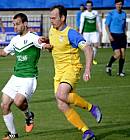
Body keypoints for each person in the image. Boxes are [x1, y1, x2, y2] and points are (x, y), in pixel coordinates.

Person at [0, 13, 52, 140]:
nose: (15, 27)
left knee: (19, 102)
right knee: (4, 105)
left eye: (17, 24)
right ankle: (13, 134)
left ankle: (28, 115)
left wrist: (46, 44)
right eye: (13, 24)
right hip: (16, 77)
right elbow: (3, 52)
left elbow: (41, 43)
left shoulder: (33, 37)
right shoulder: (14, 40)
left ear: (25, 24)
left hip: (29, 77)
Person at [49, 5, 102, 140]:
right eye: (50, 18)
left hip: (71, 68)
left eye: (54, 18)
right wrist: (47, 45)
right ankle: (86, 131)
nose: (51, 20)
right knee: (61, 104)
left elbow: (88, 49)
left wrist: (87, 70)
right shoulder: (51, 30)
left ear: (63, 18)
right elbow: (55, 47)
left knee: (61, 94)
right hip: (58, 72)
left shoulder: (71, 33)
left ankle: (91, 108)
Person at [105, 0, 127, 77]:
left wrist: (125, 33)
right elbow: (106, 26)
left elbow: (124, 25)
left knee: (123, 54)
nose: (119, 6)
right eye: (118, 4)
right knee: (118, 54)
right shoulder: (111, 13)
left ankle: (120, 71)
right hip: (114, 35)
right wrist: (109, 35)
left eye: (120, 4)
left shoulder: (124, 14)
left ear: (122, 5)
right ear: (115, 4)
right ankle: (109, 65)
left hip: (122, 35)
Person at [79, 0, 102, 65]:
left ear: (92, 6)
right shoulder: (84, 14)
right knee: (87, 47)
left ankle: (92, 59)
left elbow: (98, 22)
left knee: (96, 45)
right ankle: (88, 60)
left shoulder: (95, 13)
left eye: (90, 6)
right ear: (86, 6)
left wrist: (100, 30)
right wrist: (80, 32)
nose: (89, 7)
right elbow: (82, 23)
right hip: (86, 33)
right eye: (87, 6)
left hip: (94, 32)